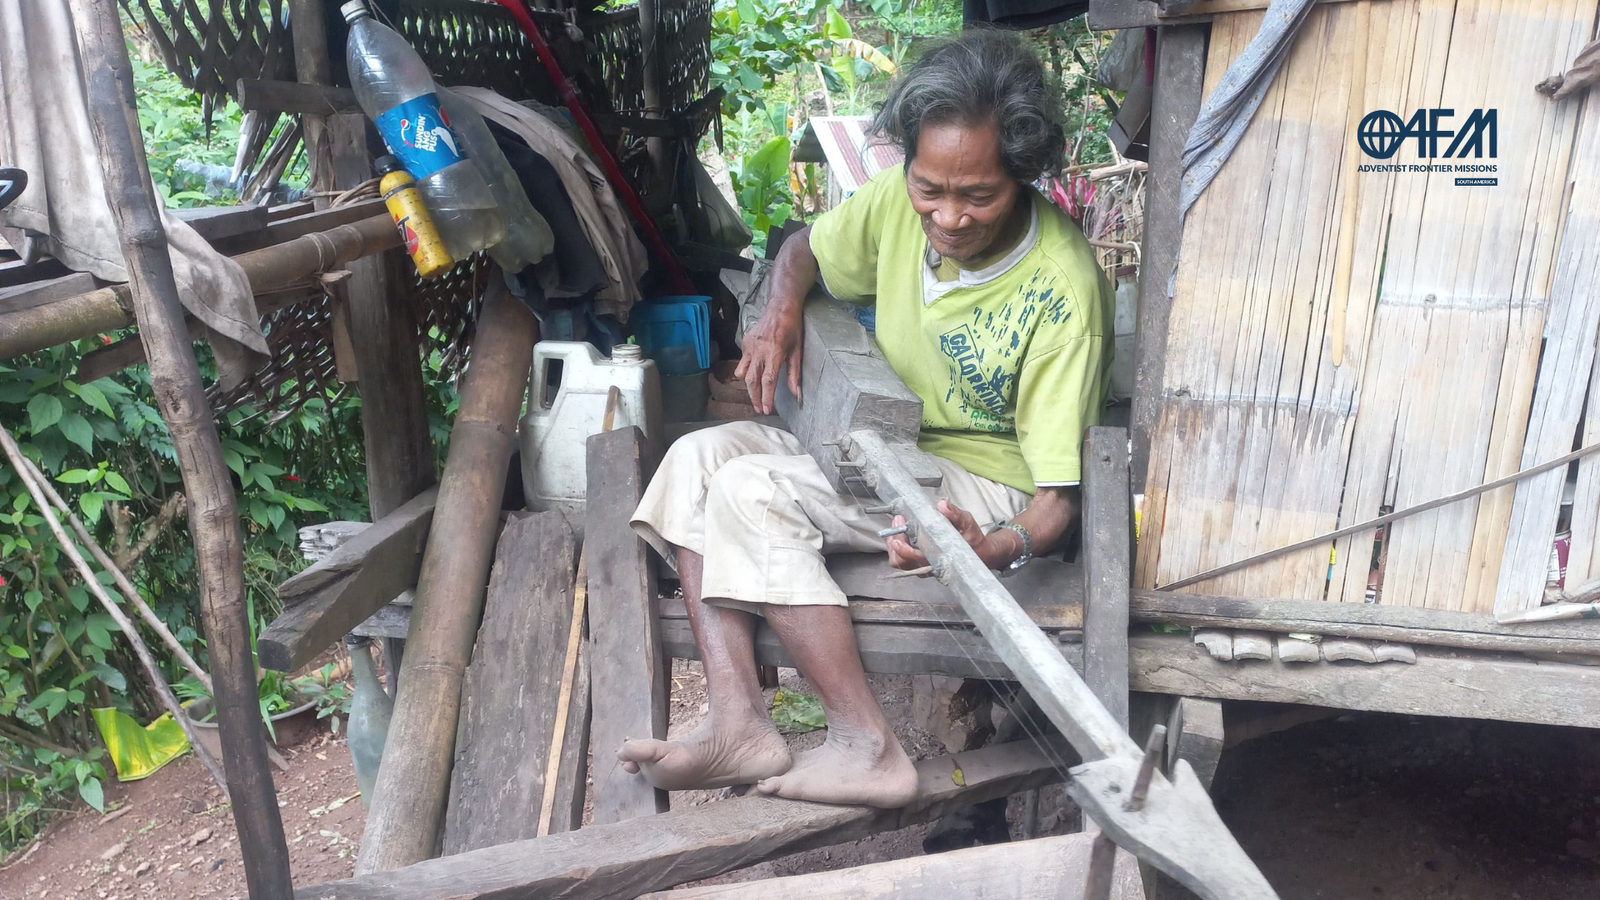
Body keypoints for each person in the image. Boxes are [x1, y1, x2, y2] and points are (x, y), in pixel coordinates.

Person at [620, 29, 1113, 809]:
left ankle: (869, 745)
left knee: (751, 491)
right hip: (881, 440)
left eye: (977, 195)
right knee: (692, 464)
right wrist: (782, 306)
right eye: (930, 188)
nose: (947, 216)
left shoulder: (1061, 290)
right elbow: (803, 250)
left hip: (985, 484)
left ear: (1021, 175)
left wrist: (996, 547)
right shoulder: (895, 202)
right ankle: (740, 718)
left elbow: (1059, 498)